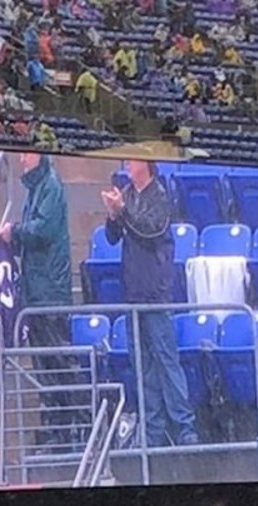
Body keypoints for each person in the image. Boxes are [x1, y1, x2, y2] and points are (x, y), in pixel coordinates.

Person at [102, 160, 199, 447]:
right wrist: (112, 216)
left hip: (155, 294)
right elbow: (112, 237)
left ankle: (184, 426)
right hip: (133, 293)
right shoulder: (128, 195)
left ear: (146, 165)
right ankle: (152, 429)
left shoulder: (159, 195)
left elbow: (150, 232)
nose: (128, 164)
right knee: (142, 365)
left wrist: (122, 211)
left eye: (133, 159)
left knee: (167, 360)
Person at [0, 153, 77, 451]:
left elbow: (43, 230)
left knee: (58, 362)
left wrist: (14, 232)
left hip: (50, 292)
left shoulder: (51, 186)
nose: (21, 160)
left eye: (26, 154)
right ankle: (55, 427)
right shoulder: (39, 187)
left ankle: (72, 427)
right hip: (38, 290)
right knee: (45, 365)